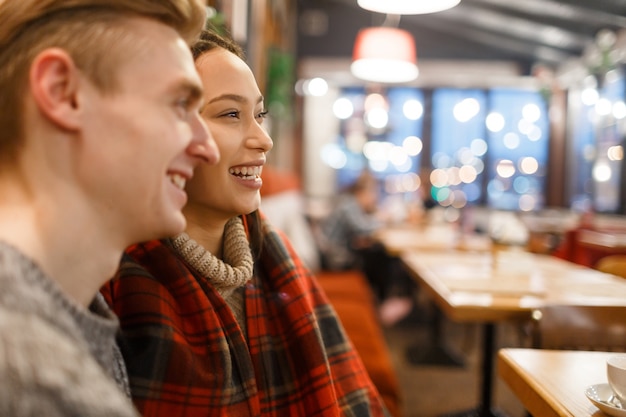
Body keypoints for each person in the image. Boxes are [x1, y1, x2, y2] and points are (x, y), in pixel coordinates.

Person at [102, 28, 390, 416]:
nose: (264, 140)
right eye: (231, 114)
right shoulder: (114, 278)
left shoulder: (273, 250)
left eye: (259, 114)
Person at [0, 1, 217, 416]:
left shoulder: (69, 320)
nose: (206, 147)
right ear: (63, 92)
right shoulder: (33, 372)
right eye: (178, 104)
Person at [318, 170, 417, 326]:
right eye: (372, 193)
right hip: (334, 258)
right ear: (362, 192)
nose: (374, 198)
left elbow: (359, 231)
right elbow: (362, 228)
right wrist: (383, 219)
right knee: (382, 257)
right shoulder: (348, 204)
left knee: (379, 254)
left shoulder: (349, 203)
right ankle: (383, 304)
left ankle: (383, 302)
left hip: (337, 252)